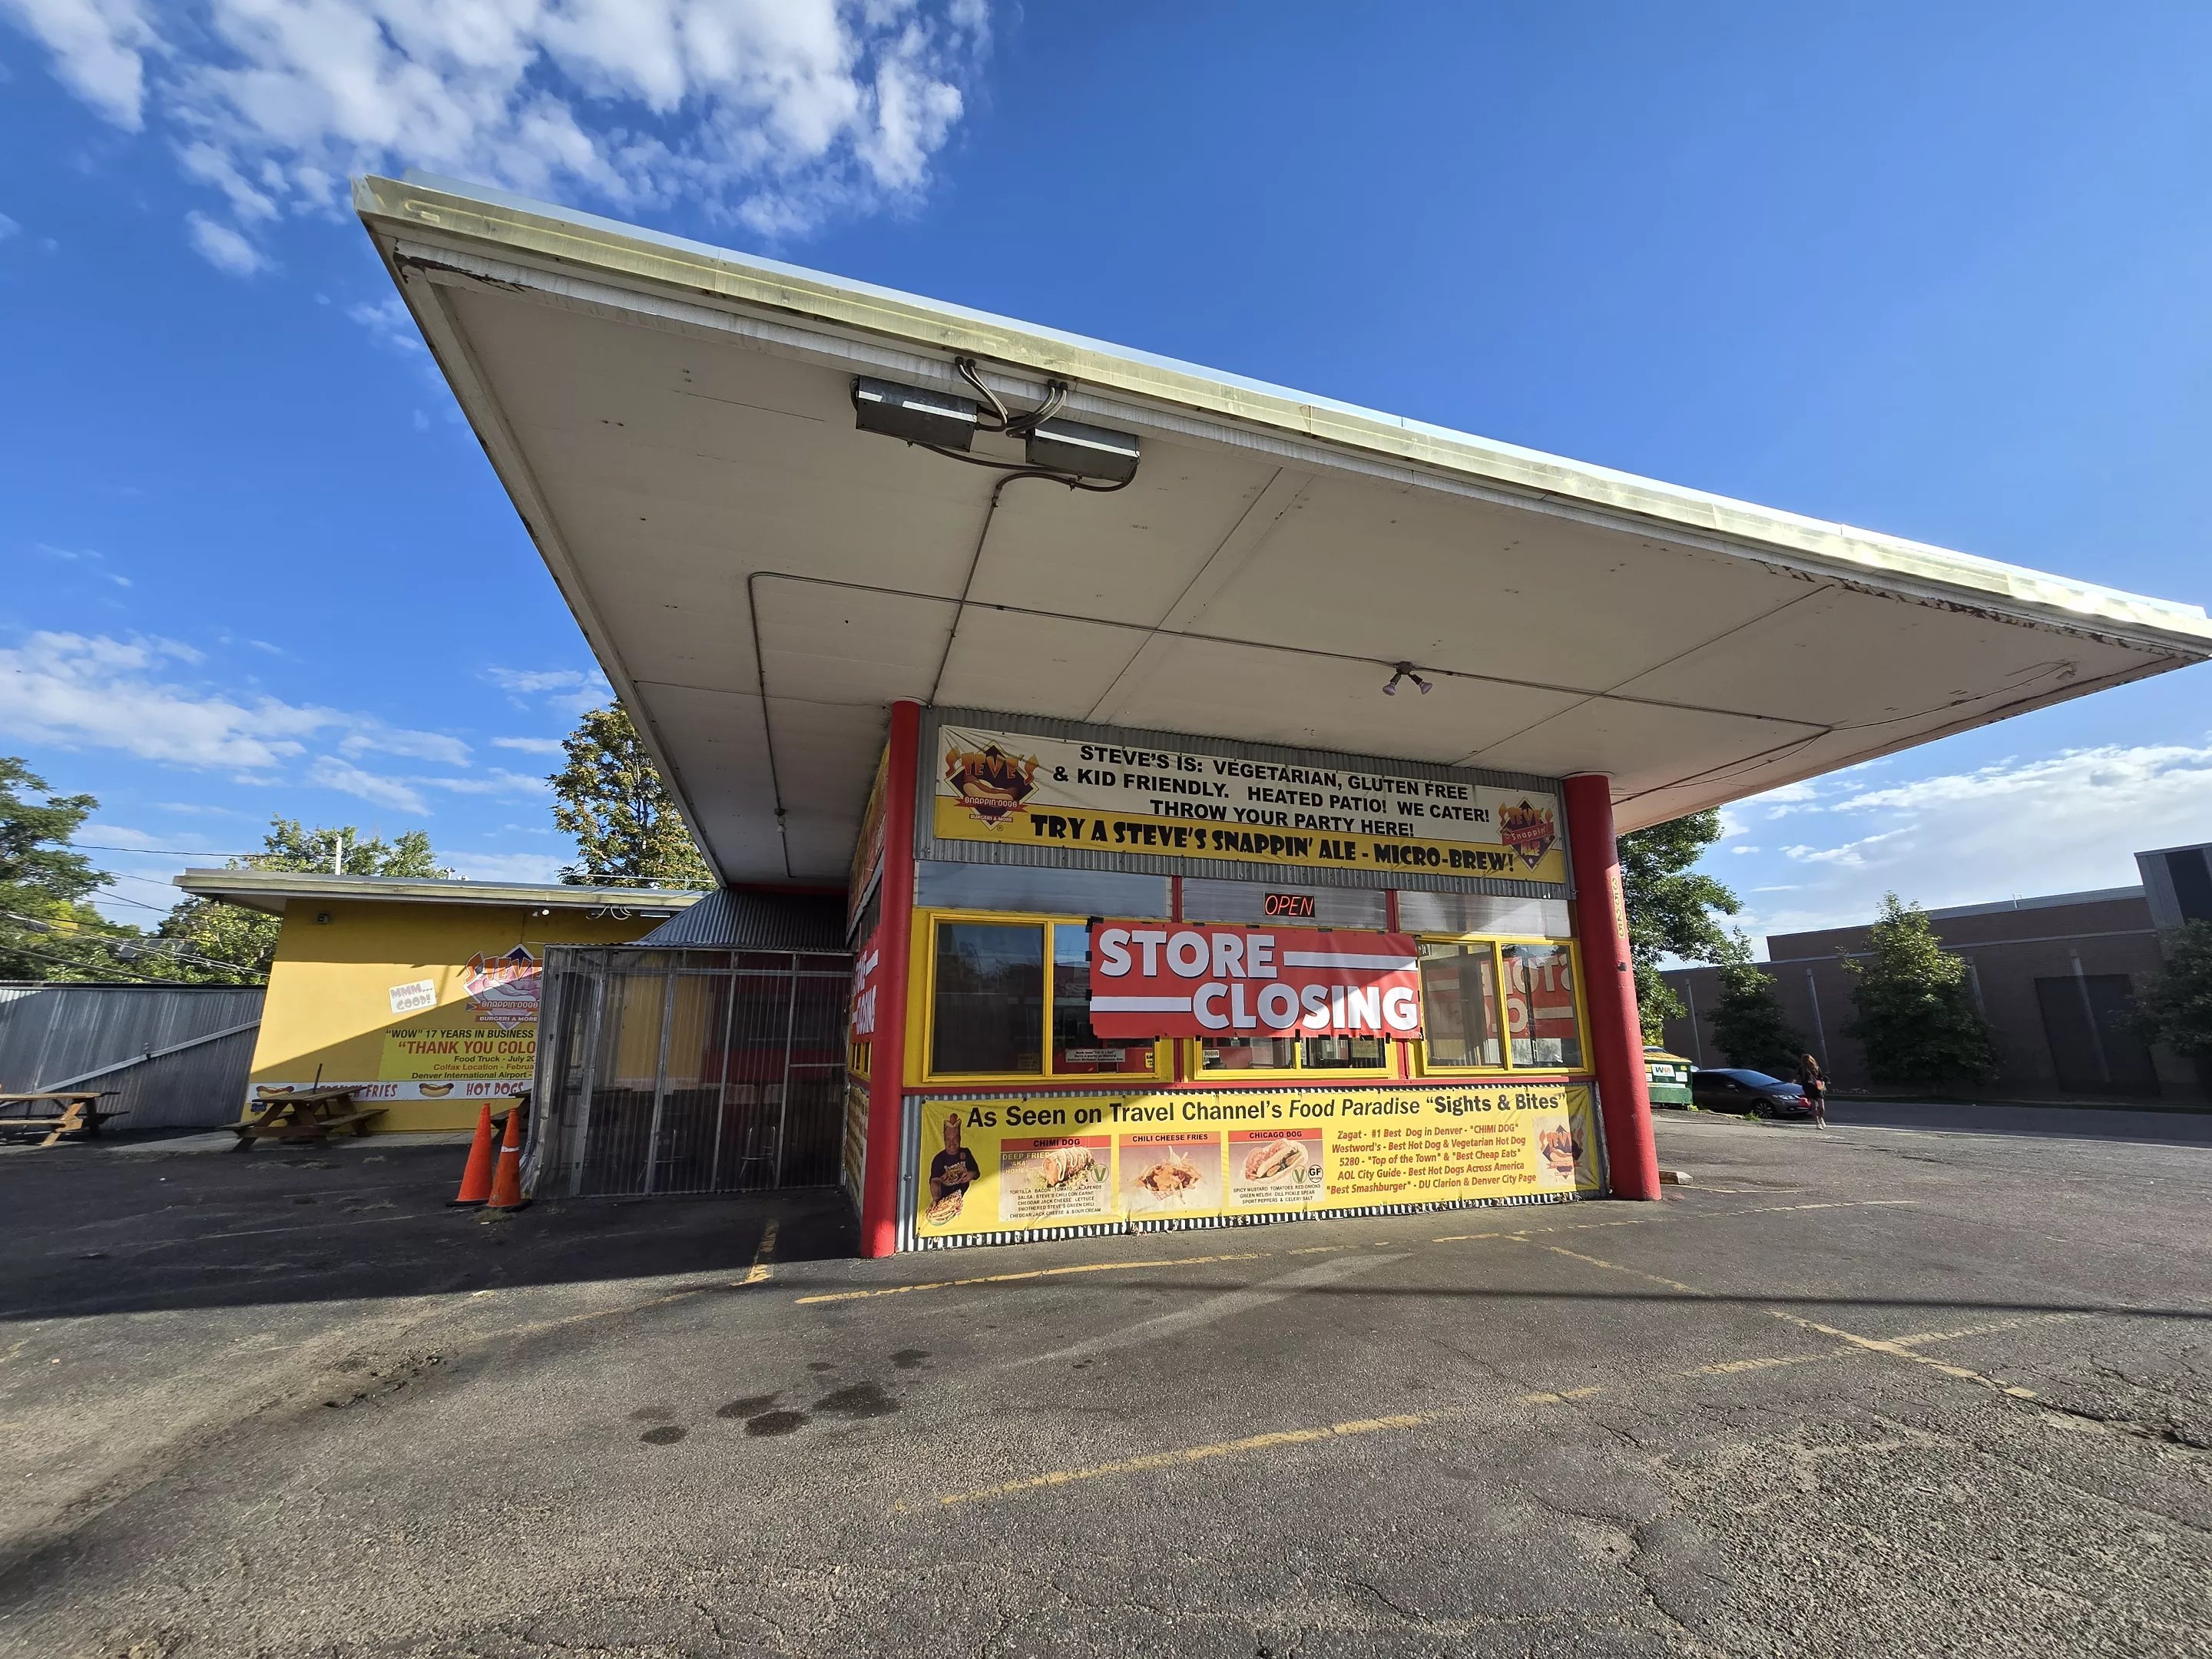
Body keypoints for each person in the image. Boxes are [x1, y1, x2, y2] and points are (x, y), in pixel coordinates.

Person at [928, 1111, 981, 1206]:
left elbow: (976, 1172)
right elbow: (935, 1181)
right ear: (944, 1140)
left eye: (955, 1139)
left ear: (960, 1139)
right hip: (946, 1200)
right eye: (948, 1140)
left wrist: (972, 1174)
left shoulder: (966, 1153)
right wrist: (936, 1199)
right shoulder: (939, 1159)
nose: (951, 1143)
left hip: (967, 1199)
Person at [1796, 1052, 1828, 1128]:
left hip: (1817, 1088)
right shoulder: (1802, 1069)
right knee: (1813, 1105)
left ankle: (1821, 1118)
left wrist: (1822, 1083)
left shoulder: (1816, 1068)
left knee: (1821, 1107)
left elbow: (1821, 1077)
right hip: (1808, 1088)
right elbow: (1800, 1078)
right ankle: (1817, 1123)